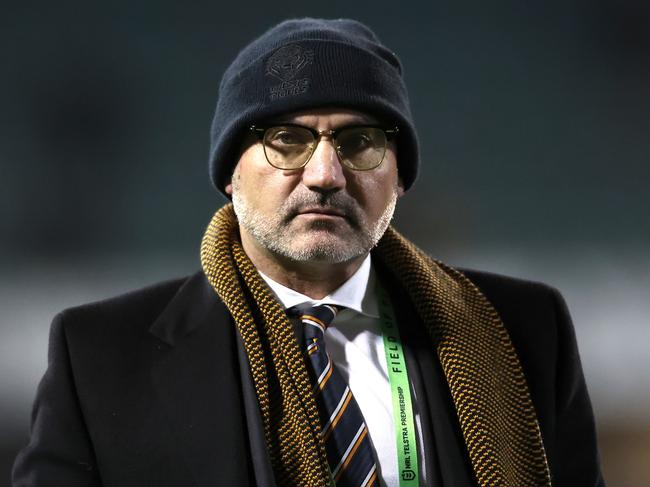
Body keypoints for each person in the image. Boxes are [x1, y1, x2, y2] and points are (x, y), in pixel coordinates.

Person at [13, 18, 605, 487]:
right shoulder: (100, 357)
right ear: (229, 173)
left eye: (360, 142)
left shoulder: (525, 329)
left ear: (399, 177)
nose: (325, 174)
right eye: (287, 140)